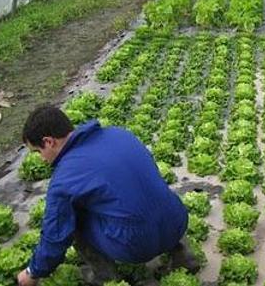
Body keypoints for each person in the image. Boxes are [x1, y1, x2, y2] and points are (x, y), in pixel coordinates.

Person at [17, 105, 198, 286]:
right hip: (177, 222)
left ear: (49, 142)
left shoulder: (65, 175)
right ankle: (184, 257)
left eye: (38, 151)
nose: (41, 158)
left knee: (71, 219)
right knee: (144, 191)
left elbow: (55, 235)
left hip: (138, 246)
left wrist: (33, 271)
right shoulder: (119, 134)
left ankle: (105, 277)